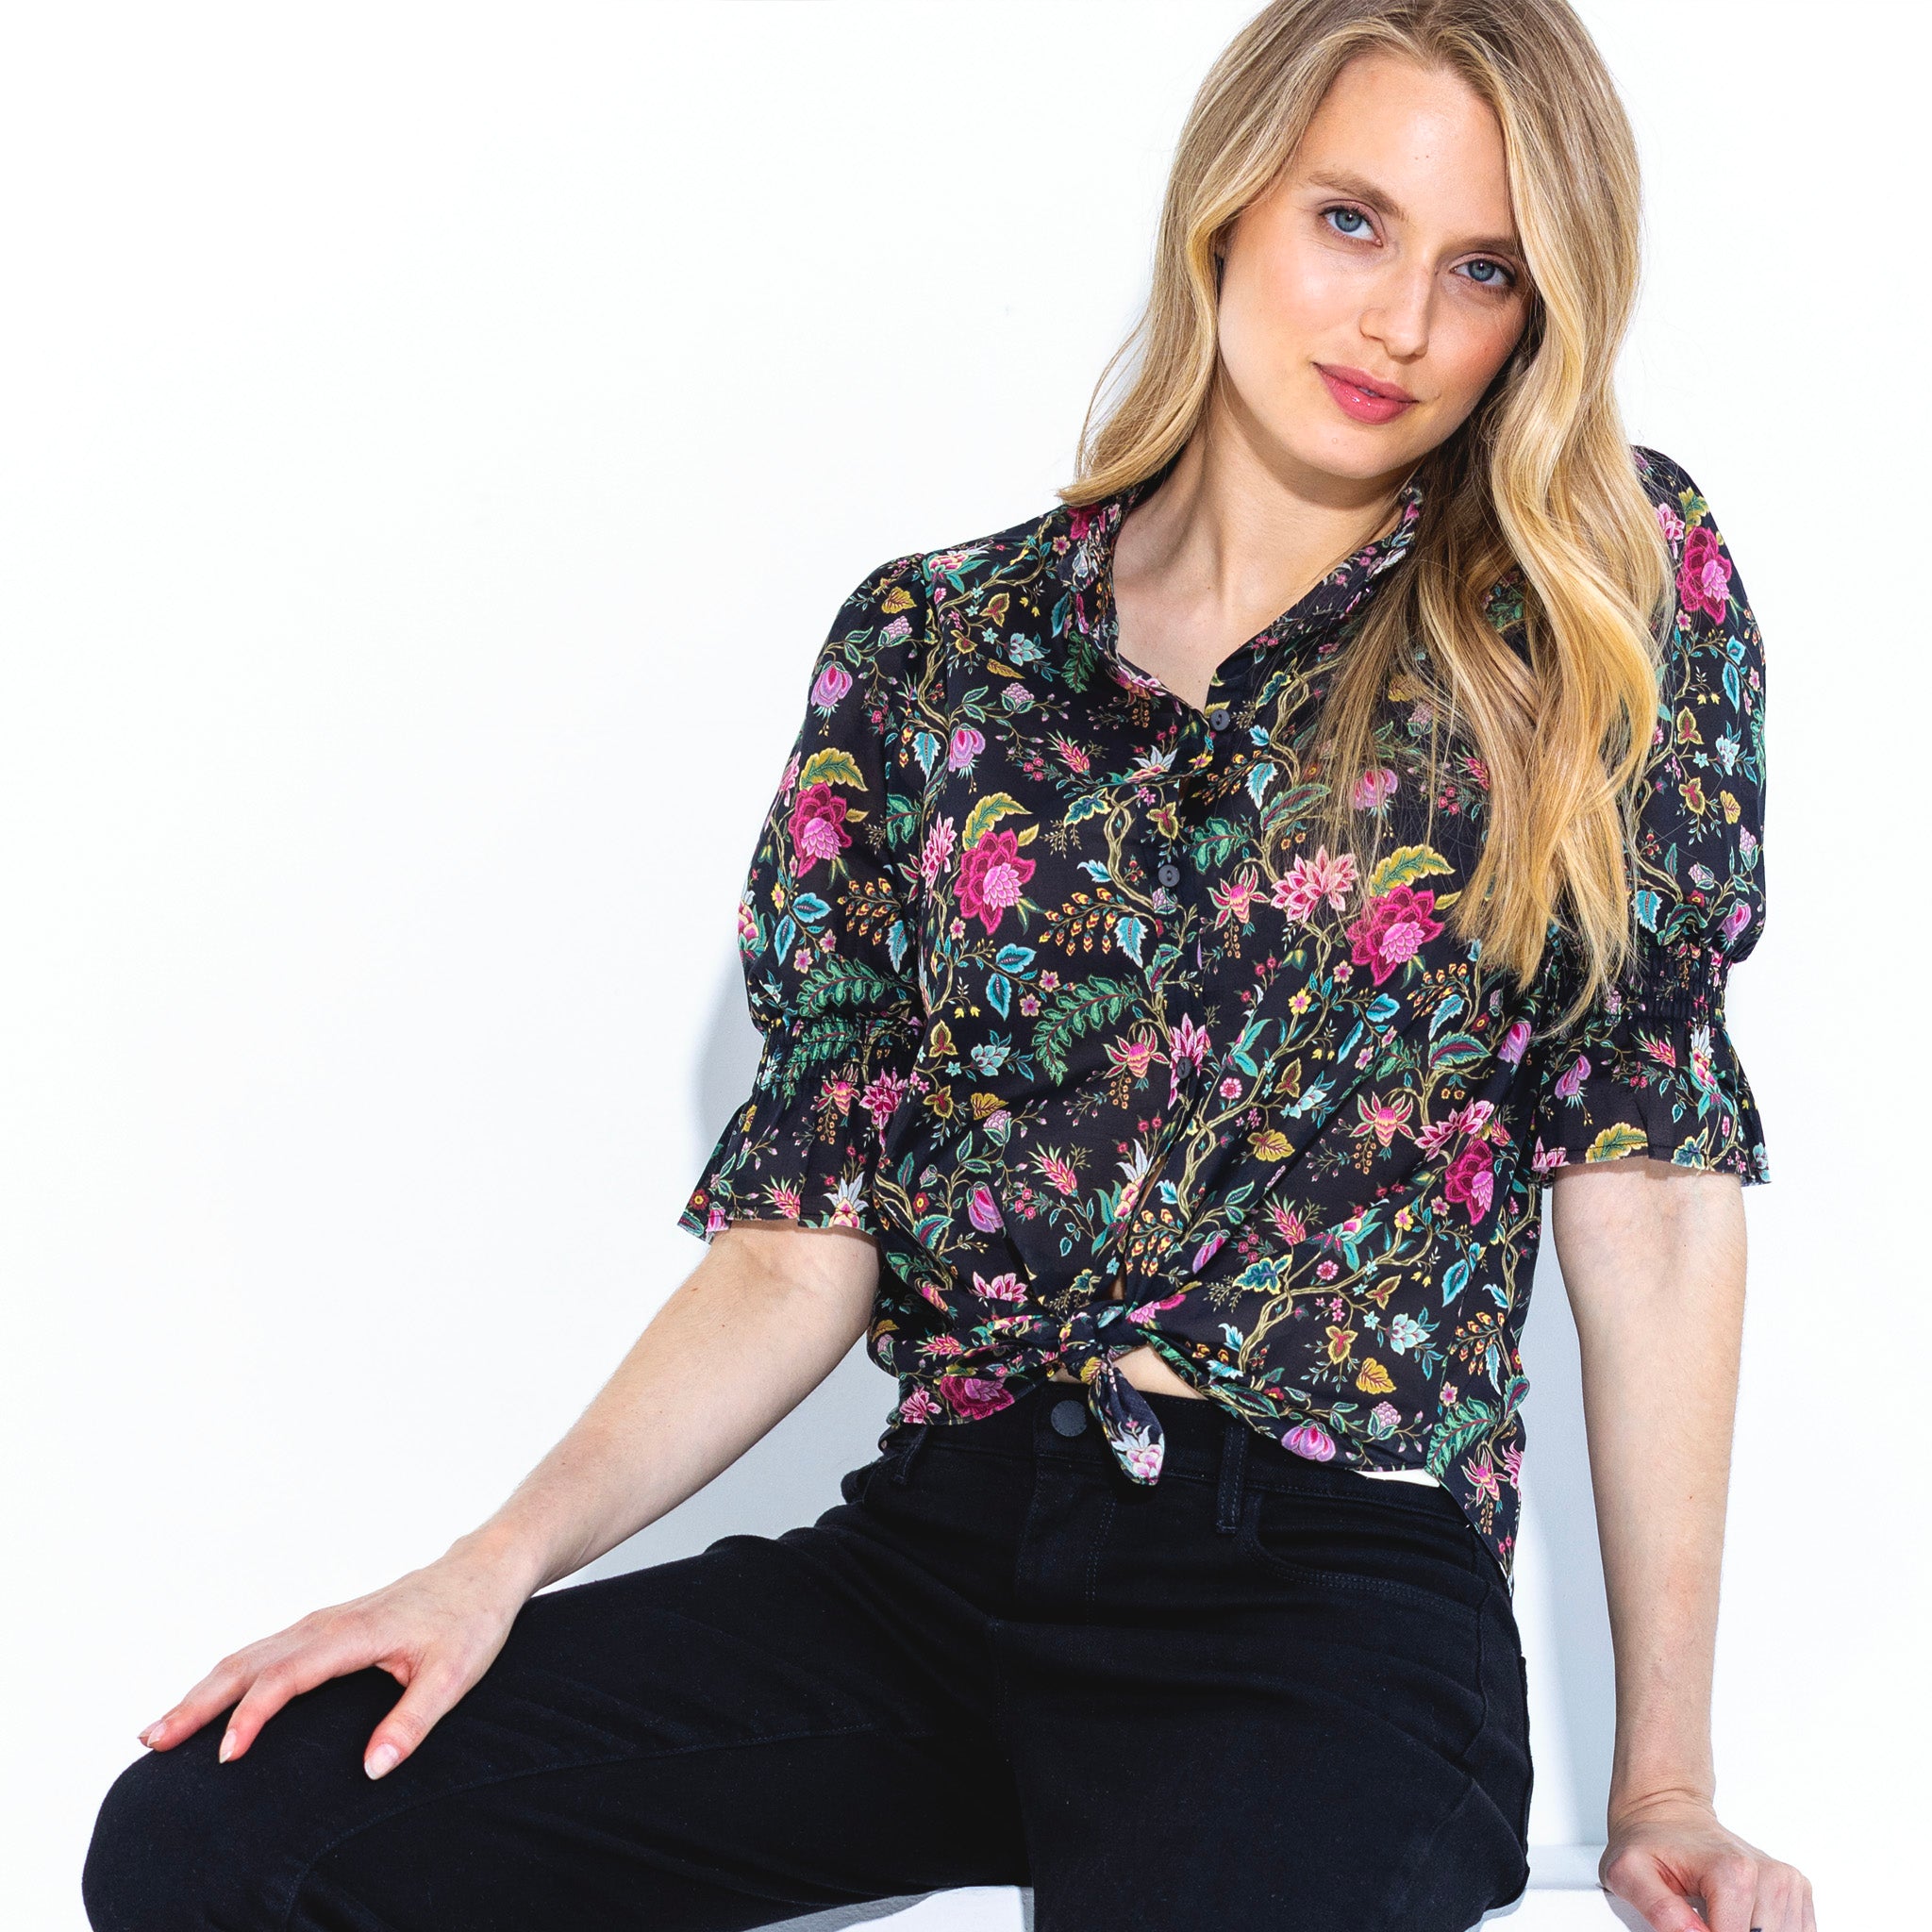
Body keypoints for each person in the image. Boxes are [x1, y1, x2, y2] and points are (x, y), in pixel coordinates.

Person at [82, 2, 1817, 1928]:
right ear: (1229, 204)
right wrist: (488, 1564)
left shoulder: (1591, 597)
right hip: (940, 1561)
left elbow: (1654, 1187)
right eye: (1351, 220)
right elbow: (800, 1237)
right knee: (220, 1839)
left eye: (1481, 269)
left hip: (1318, 1601)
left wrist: (1667, 1779)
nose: (1400, 321)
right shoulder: (933, 646)